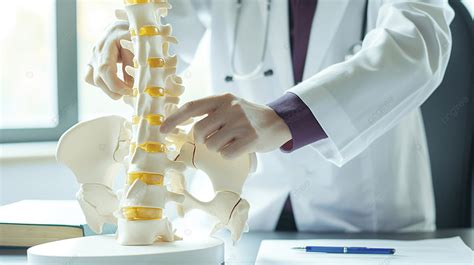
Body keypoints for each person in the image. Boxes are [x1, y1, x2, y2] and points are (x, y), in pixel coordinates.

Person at [85, 0, 454, 232]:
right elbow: (169, 19)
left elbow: (418, 41)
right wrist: (130, 38)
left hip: (366, 217)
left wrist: (284, 119)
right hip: (246, 214)